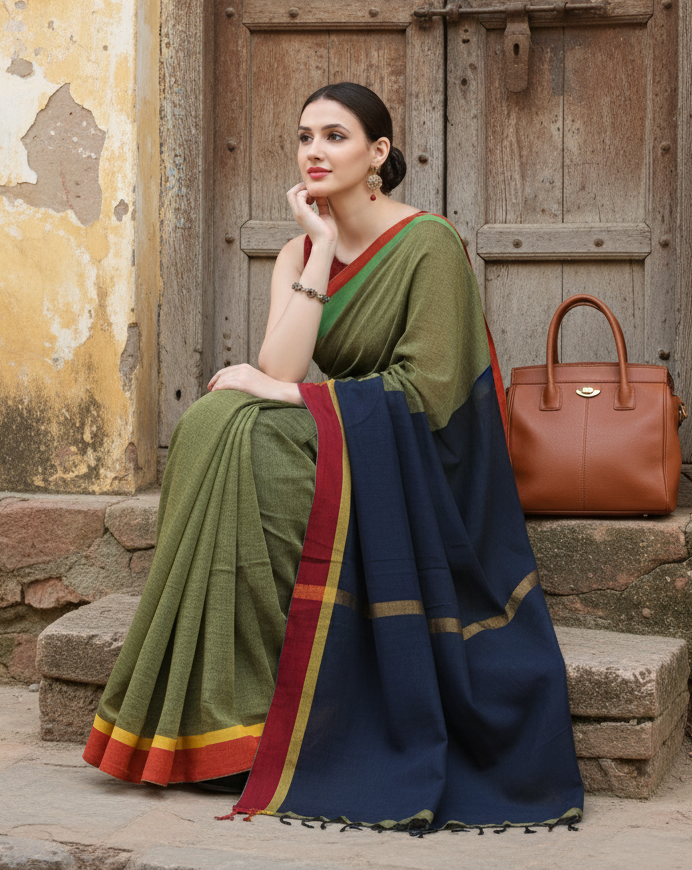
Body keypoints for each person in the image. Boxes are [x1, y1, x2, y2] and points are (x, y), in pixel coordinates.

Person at [83, 83, 584, 832]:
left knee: (243, 428)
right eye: (304, 136)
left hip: (412, 459)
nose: (314, 151)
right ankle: (234, 730)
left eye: (336, 136)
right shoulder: (298, 247)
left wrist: (276, 393)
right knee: (214, 423)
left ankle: (254, 721)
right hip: (346, 433)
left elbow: (431, 392)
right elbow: (282, 369)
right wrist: (315, 251)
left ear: (378, 153)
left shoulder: (429, 244)